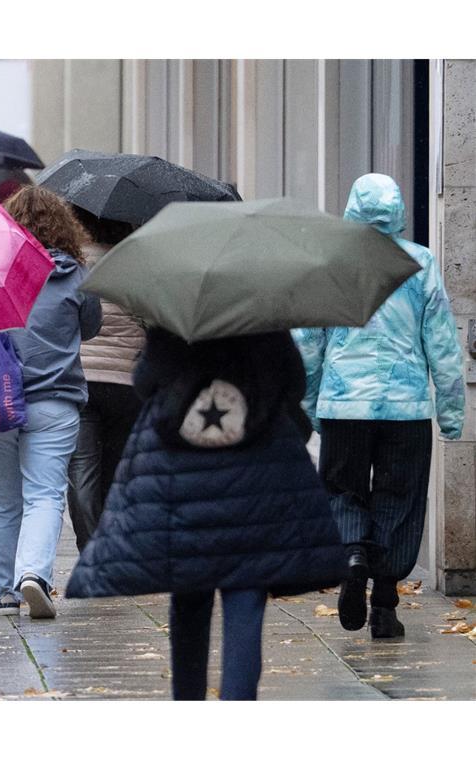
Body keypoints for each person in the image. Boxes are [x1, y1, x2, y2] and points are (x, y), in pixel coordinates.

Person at [66, 328, 344, 700]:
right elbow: (293, 383)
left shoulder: (175, 323)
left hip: (182, 481)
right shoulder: (264, 323)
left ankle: (188, 699)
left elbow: (145, 381)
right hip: (255, 481)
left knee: (188, 598)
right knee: (246, 597)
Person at [293, 173, 466, 639]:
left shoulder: (330, 262)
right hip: (405, 409)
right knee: (400, 500)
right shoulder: (419, 264)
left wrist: (311, 404)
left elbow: (307, 342)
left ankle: (352, 555)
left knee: (342, 491)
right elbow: (443, 345)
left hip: (344, 404)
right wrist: (451, 412)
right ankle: (385, 607)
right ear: (399, 212)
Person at [0, 186, 101, 619]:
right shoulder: (78, 276)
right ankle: (35, 576)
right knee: (45, 495)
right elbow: (91, 329)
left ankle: (5, 591)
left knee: (1, 497)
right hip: (55, 399)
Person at [66, 214, 145, 551]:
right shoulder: (136, 263)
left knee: (82, 470)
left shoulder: (73, 263)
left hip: (81, 380)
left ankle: (90, 547)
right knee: (116, 468)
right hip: (125, 382)